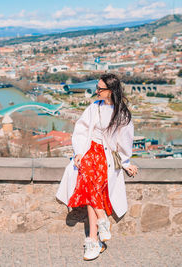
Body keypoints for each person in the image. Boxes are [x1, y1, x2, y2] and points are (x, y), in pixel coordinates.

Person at [56, 73, 138, 261]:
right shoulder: (94, 107)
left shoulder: (123, 114)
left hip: (106, 155)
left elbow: (126, 142)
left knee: (90, 183)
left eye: (100, 89)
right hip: (89, 151)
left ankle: (94, 238)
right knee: (89, 179)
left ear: (111, 91)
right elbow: (81, 129)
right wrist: (78, 152)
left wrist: (125, 162)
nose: (97, 91)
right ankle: (99, 226)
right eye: (97, 87)